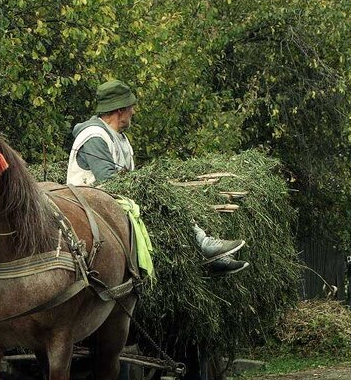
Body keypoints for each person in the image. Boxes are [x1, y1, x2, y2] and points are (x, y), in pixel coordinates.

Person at [67, 80, 249, 275]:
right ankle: (203, 246)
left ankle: (206, 256)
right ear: (120, 110)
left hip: (114, 198)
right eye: (131, 108)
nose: (133, 113)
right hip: (91, 203)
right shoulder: (94, 136)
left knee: (165, 200)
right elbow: (109, 181)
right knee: (162, 201)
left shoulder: (120, 138)